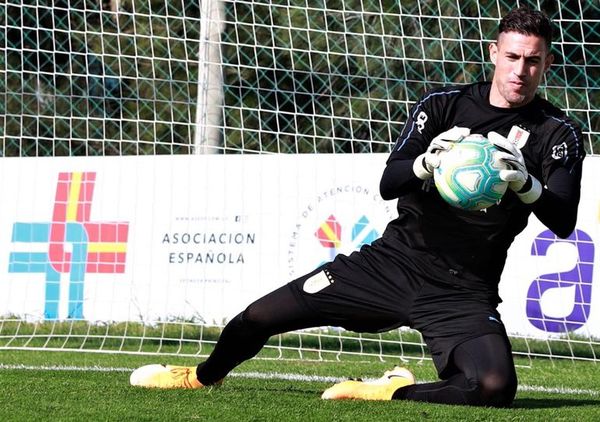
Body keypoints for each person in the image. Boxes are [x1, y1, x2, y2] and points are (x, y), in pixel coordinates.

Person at [130, 7, 585, 407]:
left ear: (547, 62)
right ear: (493, 53)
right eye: (512, 57)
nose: (520, 70)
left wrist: (527, 184)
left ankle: (389, 389)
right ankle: (198, 377)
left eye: (532, 60)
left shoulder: (556, 133)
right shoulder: (443, 107)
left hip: (462, 290)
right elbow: (390, 183)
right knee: (257, 318)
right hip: (392, 263)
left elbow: (562, 219)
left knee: (492, 388)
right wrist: (428, 164)